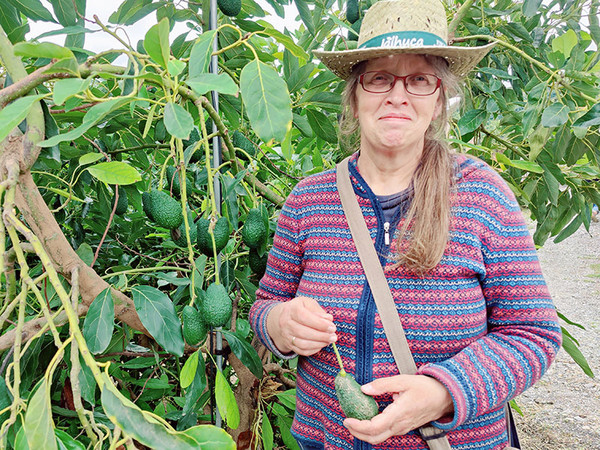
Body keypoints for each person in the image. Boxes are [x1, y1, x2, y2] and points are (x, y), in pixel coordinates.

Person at [249, 0, 562, 448]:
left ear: (437, 102)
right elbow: (266, 306)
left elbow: (533, 334)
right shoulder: (308, 200)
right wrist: (281, 323)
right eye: (379, 78)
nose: (397, 95)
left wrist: (443, 393)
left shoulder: (481, 195)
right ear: (354, 99)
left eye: (418, 80)